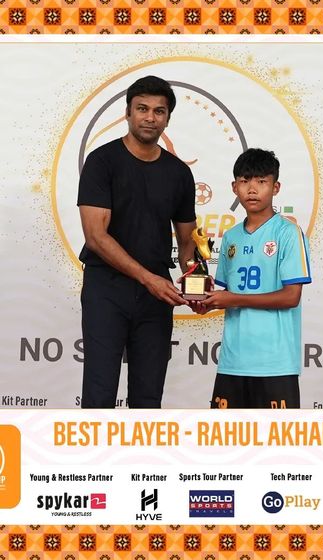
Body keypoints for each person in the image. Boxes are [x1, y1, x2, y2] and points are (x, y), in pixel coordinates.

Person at [77, 75, 197, 408]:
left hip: (155, 296)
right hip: (106, 288)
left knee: (148, 398)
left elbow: (187, 242)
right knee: (99, 394)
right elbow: (96, 237)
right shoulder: (102, 162)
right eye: (142, 108)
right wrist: (147, 278)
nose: (150, 117)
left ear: (167, 119)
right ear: (128, 113)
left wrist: (196, 283)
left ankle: (143, 447)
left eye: (159, 111)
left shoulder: (179, 173)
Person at [194, 148, 311, 408]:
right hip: (232, 361)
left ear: (276, 187)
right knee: (226, 435)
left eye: (261, 181)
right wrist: (205, 301)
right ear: (234, 187)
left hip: (275, 363)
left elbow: (291, 297)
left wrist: (232, 298)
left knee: (276, 436)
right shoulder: (231, 237)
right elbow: (226, 295)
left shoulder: (288, 233)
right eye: (245, 181)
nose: (252, 189)